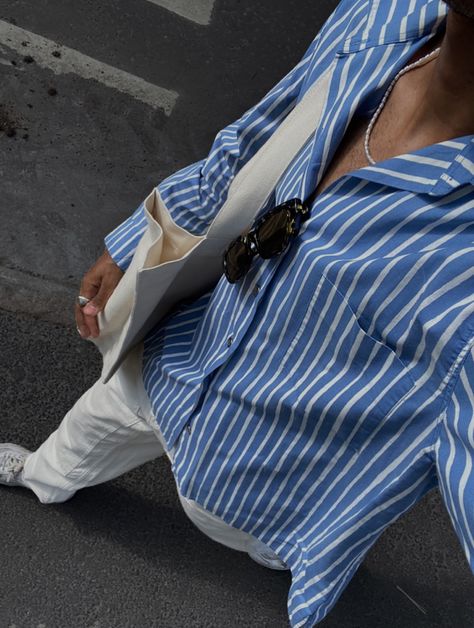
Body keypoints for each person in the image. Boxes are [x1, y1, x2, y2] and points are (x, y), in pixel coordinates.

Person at [1, 0, 473, 625]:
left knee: (270, 546)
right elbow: (254, 142)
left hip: (265, 482)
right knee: (81, 435)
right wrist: (137, 242)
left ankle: (290, 551)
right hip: (181, 354)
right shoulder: (387, 13)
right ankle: (40, 476)